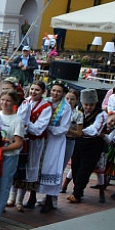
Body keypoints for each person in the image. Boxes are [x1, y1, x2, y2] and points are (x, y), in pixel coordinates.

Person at [0, 91, 26, 230]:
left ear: (14, 103)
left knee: (3, 187)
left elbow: (18, 143)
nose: (4, 103)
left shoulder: (17, 120)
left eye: (8, 100)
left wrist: (2, 150)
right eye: (2, 100)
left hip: (8, 158)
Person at [14, 81, 52, 211]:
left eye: (37, 90)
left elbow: (38, 129)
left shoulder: (46, 107)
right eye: (32, 89)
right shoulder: (25, 101)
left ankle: (21, 199)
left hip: (35, 142)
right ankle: (12, 197)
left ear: (43, 92)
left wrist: (25, 123)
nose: (33, 92)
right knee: (19, 167)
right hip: (22, 140)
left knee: (29, 168)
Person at [37, 81, 73, 213]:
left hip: (55, 141)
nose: (55, 93)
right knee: (37, 166)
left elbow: (64, 128)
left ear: (63, 93)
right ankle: (32, 196)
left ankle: (49, 199)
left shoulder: (66, 107)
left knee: (51, 168)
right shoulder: (45, 102)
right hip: (41, 138)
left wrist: (48, 128)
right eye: (53, 90)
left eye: (58, 91)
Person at [69, 89, 107, 205]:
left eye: (91, 105)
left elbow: (95, 130)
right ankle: (77, 190)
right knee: (75, 167)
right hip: (79, 143)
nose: (88, 107)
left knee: (84, 170)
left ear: (96, 103)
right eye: (86, 104)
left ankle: (77, 194)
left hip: (93, 145)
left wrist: (77, 131)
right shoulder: (78, 111)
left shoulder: (102, 114)